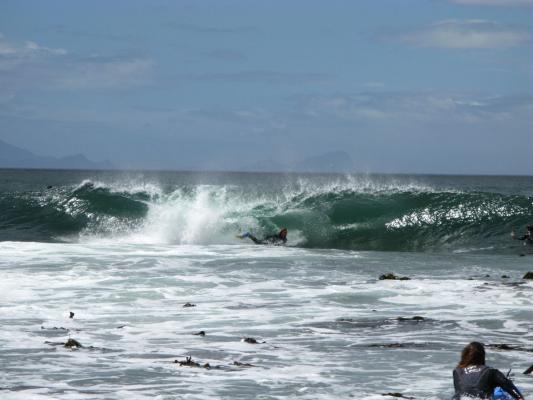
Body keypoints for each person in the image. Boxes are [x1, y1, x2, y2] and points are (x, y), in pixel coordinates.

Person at [452, 342, 524, 400]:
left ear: (464, 356)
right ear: (482, 356)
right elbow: (513, 391)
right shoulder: (491, 371)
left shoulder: (457, 372)